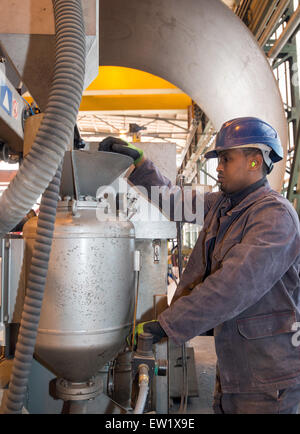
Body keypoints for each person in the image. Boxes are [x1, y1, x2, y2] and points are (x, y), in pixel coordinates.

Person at [99, 117, 300, 414]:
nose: (218, 166)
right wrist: (140, 163)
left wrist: (166, 324)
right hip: (238, 364)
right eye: (218, 158)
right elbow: (173, 200)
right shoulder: (224, 204)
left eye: (226, 158)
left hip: (270, 377)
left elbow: (232, 286)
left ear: (256, 162)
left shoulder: (274, 217)